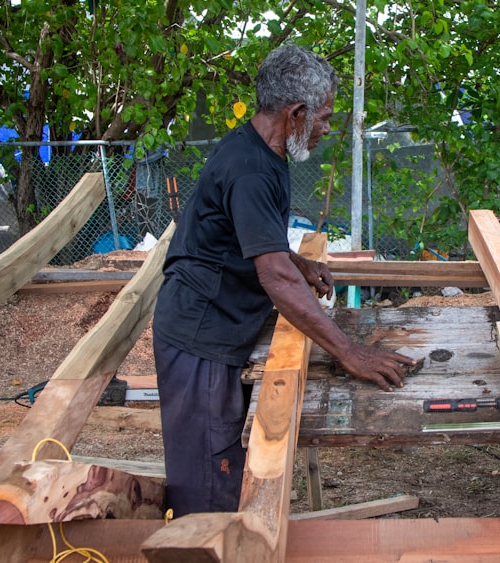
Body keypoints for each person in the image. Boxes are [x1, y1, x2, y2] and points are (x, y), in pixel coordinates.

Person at [152, 44, 416, 517]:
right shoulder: (252, 169)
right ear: (296, 113)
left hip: (217, 324)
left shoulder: (258, 151)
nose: (326, 129)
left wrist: (297, 260)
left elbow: (254, 242)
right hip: (200, 337)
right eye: (323, 118)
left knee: (224, 467)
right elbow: (271, 275)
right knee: (208, 489)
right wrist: (349, 351)